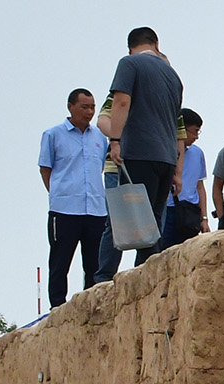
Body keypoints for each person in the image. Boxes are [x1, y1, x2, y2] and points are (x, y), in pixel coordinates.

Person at [98, 26, 185, 268]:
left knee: (125, 218)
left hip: (139, 152)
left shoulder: (130, 63)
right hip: (167, 157)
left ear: (130, 47)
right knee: (153, 223)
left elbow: (121, 101)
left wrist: (115, 141)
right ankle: (148, 272)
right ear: (156, 45)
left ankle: (104, 276)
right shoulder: (173, 75)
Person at [37, 88, 114, 307]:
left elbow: (99, 165)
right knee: (60, 261)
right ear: (70, 107)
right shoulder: (53, 135)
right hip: (65, 209)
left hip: (95, 209)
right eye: (84, 107)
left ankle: (91, 304)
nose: (89, 112)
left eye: (92, 107)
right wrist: (57, 192)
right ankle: (57, 306)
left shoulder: (99, 137)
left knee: (94, 262)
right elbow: (46, 168)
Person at [163, 110, 208, 249]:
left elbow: (200, 187)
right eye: (194, 131)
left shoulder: (197, 153)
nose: (196, 137)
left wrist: (204, 218)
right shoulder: (165, 150)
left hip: (190, 212)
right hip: (168, 210)